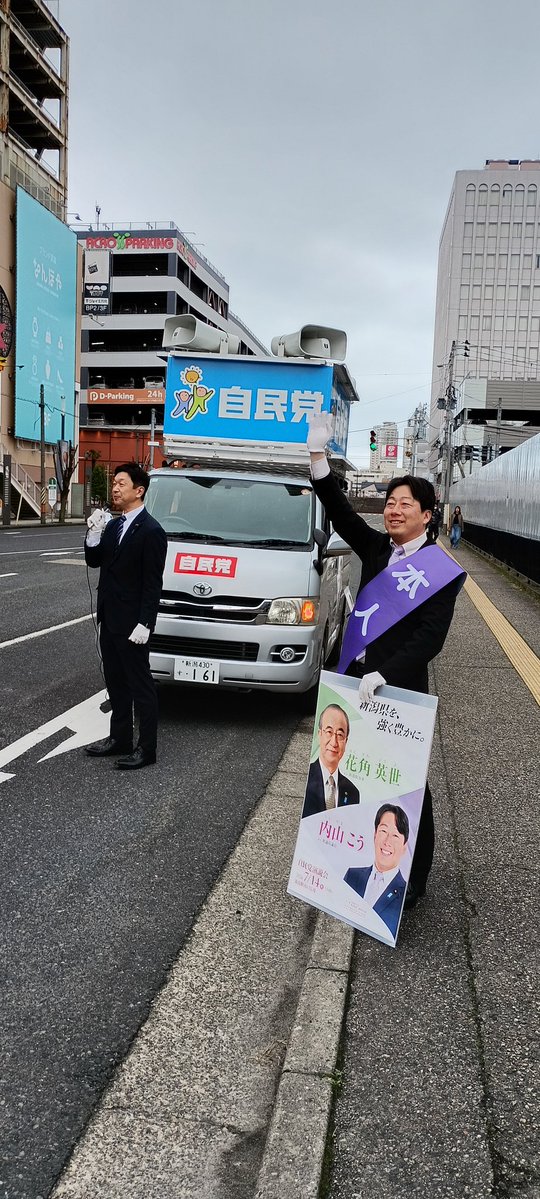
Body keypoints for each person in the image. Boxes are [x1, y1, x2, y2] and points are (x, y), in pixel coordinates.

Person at [306, 414, 464, 909]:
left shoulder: (442, 571)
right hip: (357, 683)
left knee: (408, 782)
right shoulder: (377, 548)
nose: (393, 512)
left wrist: (386, 674)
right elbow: (341, 511)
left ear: (427, 513)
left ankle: (412, 879)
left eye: (404, 505)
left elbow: (429, 639)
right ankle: (345, 858)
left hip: (401, 691)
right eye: (390, 504)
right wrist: (317, 459)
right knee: (354, 770)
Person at [84, 463, 168, 770]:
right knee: (115, 682)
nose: (115, 488)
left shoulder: (152, 531)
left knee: (140, 684)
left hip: (133, 624)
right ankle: (119, 738)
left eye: (121, 483)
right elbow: (95, 561)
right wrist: (93, 534)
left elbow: (152, 583)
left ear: (139, 490)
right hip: (110, 617)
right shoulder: (113, 526)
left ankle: (147, 748)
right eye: (114, 483)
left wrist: (145, 622)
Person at [344, 804, 409, 938]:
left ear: (404, 847)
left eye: (395, 835)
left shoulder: (404, 893)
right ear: (375, 835)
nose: (387, 841)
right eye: (383, 831)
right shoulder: (352, 875)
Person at [302, 703, 360, 818]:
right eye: (329, 732)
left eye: (339, 735)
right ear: (319, 734)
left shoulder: (353, 792)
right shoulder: (305, 776)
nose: (334, 742)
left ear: (346, 741)